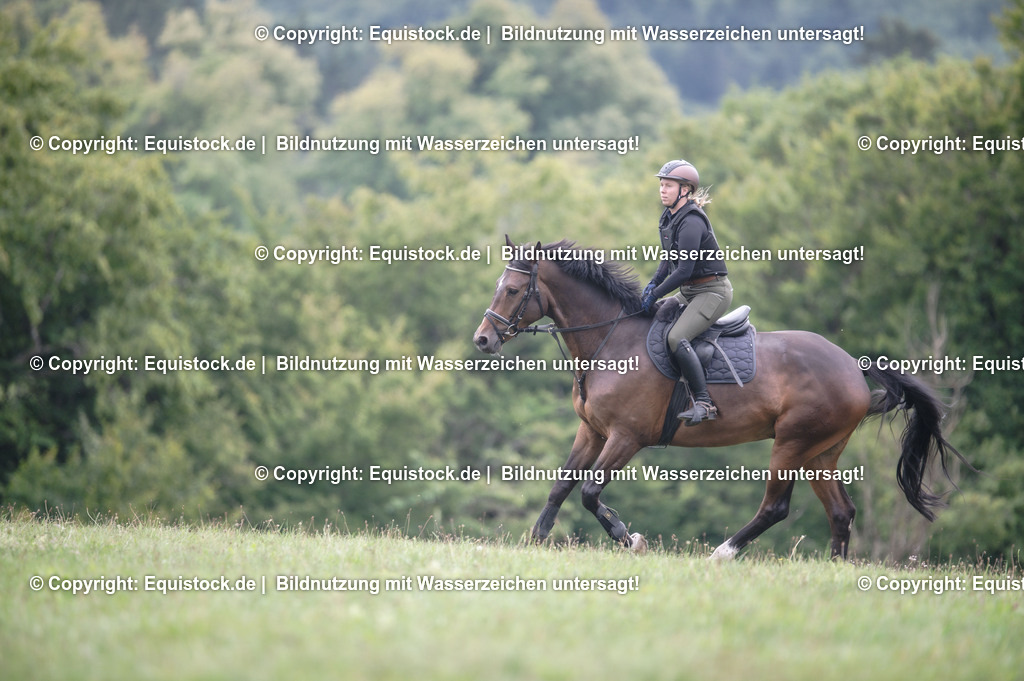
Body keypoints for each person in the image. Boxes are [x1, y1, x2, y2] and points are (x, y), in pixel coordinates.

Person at [640, 160, 733, 426]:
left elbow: (683, 270)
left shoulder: (692, 221)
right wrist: (651, 286)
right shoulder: (669, 218)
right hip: (690, 291)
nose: (662, 190)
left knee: (676, 337)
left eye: (668, 185)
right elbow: (668, 261)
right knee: (655, 317)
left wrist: (656, 292)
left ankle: (704, 403)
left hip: (711, 292)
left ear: (685, 190)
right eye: (661, 184)